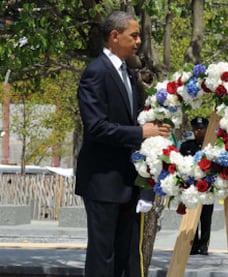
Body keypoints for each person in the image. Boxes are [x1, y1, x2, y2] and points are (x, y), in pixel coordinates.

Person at [76, 11, 171, 277]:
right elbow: (96, 127)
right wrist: (141, 132)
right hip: (103, 180)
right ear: (114, 36)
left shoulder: (127, 73)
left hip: (127, 181)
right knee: (102, 256)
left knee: (126, 254)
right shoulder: (96, 72)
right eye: (134, 35)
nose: (139, 41)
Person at [179, 117, 213, 255]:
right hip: (191, 187)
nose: (198, 132)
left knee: (206, 217)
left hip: (207, 186)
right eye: (195, 129)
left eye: (201, 129)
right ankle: (193, 243)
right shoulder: (187, 146)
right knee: (191, 216)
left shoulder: (211, 145)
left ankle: (204, 244)